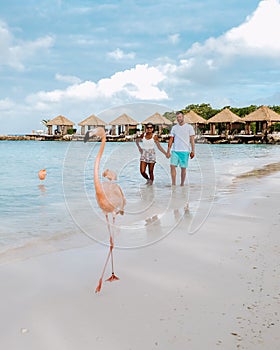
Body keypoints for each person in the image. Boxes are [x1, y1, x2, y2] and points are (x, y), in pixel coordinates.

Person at [166, 111, 195, 186]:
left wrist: (193, 151)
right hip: (175, 150)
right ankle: (173, 184)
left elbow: (192, 140)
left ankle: (182, 184)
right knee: (172, 166)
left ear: (183, 117)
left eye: (180, 117)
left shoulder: (189, 127)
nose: (179, 119)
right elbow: (171, 139)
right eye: (177, 117)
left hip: (185, 151)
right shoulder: (174, 128)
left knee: (183, 169)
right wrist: (168, 150)